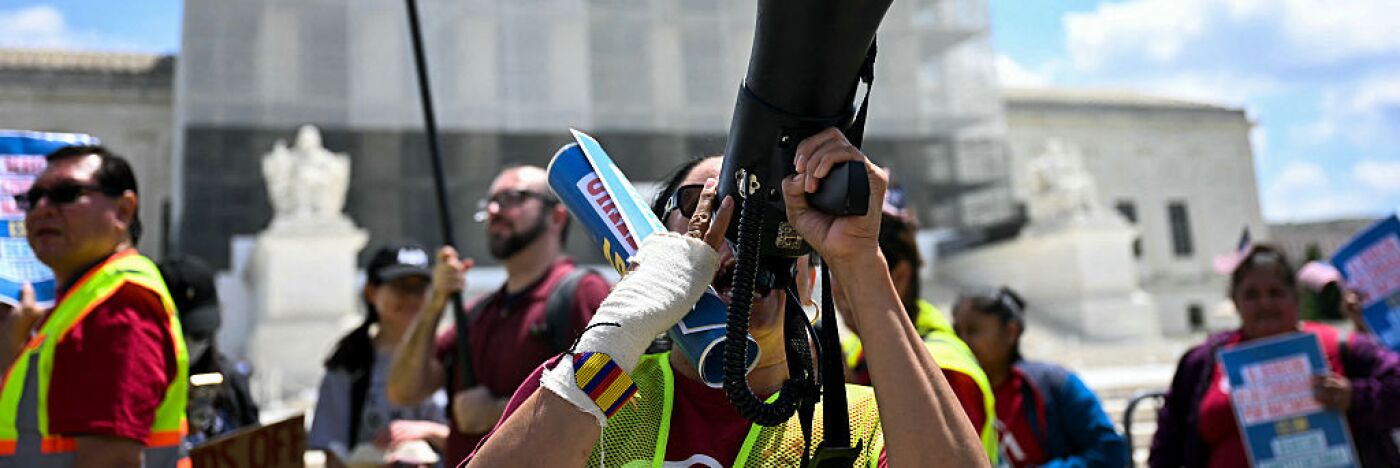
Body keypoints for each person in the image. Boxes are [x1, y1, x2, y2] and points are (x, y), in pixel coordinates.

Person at [469, 129, 990, 467]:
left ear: (808, 278)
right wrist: (626, 321)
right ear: (659, 248)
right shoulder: (585, 391)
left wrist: (860, 263)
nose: (740, 235)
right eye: (708, 207)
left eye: (769, 219)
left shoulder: (863, 421)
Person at [386, 165, 610, 466]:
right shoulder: (480, 312)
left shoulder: (583, 293)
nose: (493, 210)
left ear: (557, 216)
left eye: (513, 198)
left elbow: (614, 398)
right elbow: (403, 390)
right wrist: (435, 301)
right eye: (490, 202)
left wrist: (499, 411)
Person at [0, 145, 188, 468]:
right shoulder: (81, 301)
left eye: (66, 193)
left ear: (124, 211)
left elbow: (111, 459)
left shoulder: (120, 305)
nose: (41, 209)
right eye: (31, 199)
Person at [1148, 243, 1400, 468]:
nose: (1264, 303)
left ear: (1295, 297)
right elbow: (1167, 445)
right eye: (1251, 295)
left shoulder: (1342, 346)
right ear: (1234, 301)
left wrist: (1354, 397)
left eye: (1275, 292)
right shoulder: (1202, 362)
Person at [838, 210, 999, 463]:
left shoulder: (941, 370)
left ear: (900, 276)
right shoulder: (854, 351)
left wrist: (848, 396)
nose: (836, 288)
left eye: (845, 271)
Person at [953, 287, 1126, 468]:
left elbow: (1109, 452)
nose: (962, 341)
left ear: (1012, 331)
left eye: (973, 331)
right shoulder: (954, 394)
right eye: (957, 332)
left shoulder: (1056, 384)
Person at [309, 241, 450, 464]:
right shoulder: (350, 364)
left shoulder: (450, 354)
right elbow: (333, 451)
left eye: (420, 287)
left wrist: (426, 431)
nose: (412, 298)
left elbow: (479, 437)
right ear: (371, 292)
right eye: (401, 287)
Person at [157, 254, 260, 446]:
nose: (192, 343)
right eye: (184, 333)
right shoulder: (141, 385)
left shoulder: (231, 382)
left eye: (201, 334)